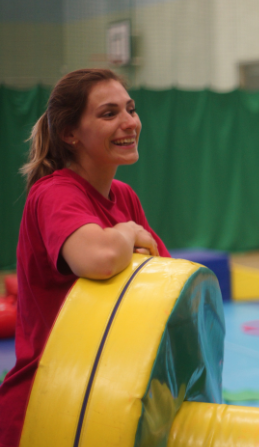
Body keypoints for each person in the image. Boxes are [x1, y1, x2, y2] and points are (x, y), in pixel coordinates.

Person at [0, 68, 170, 447]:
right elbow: (99, 258)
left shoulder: (124, 196)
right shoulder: (55, 193)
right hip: (47, 407)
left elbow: (166, 275)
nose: (129, 122)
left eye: (131, 108)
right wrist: (127, 232)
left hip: (103, 401)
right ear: (69, 133)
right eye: (109, 114)